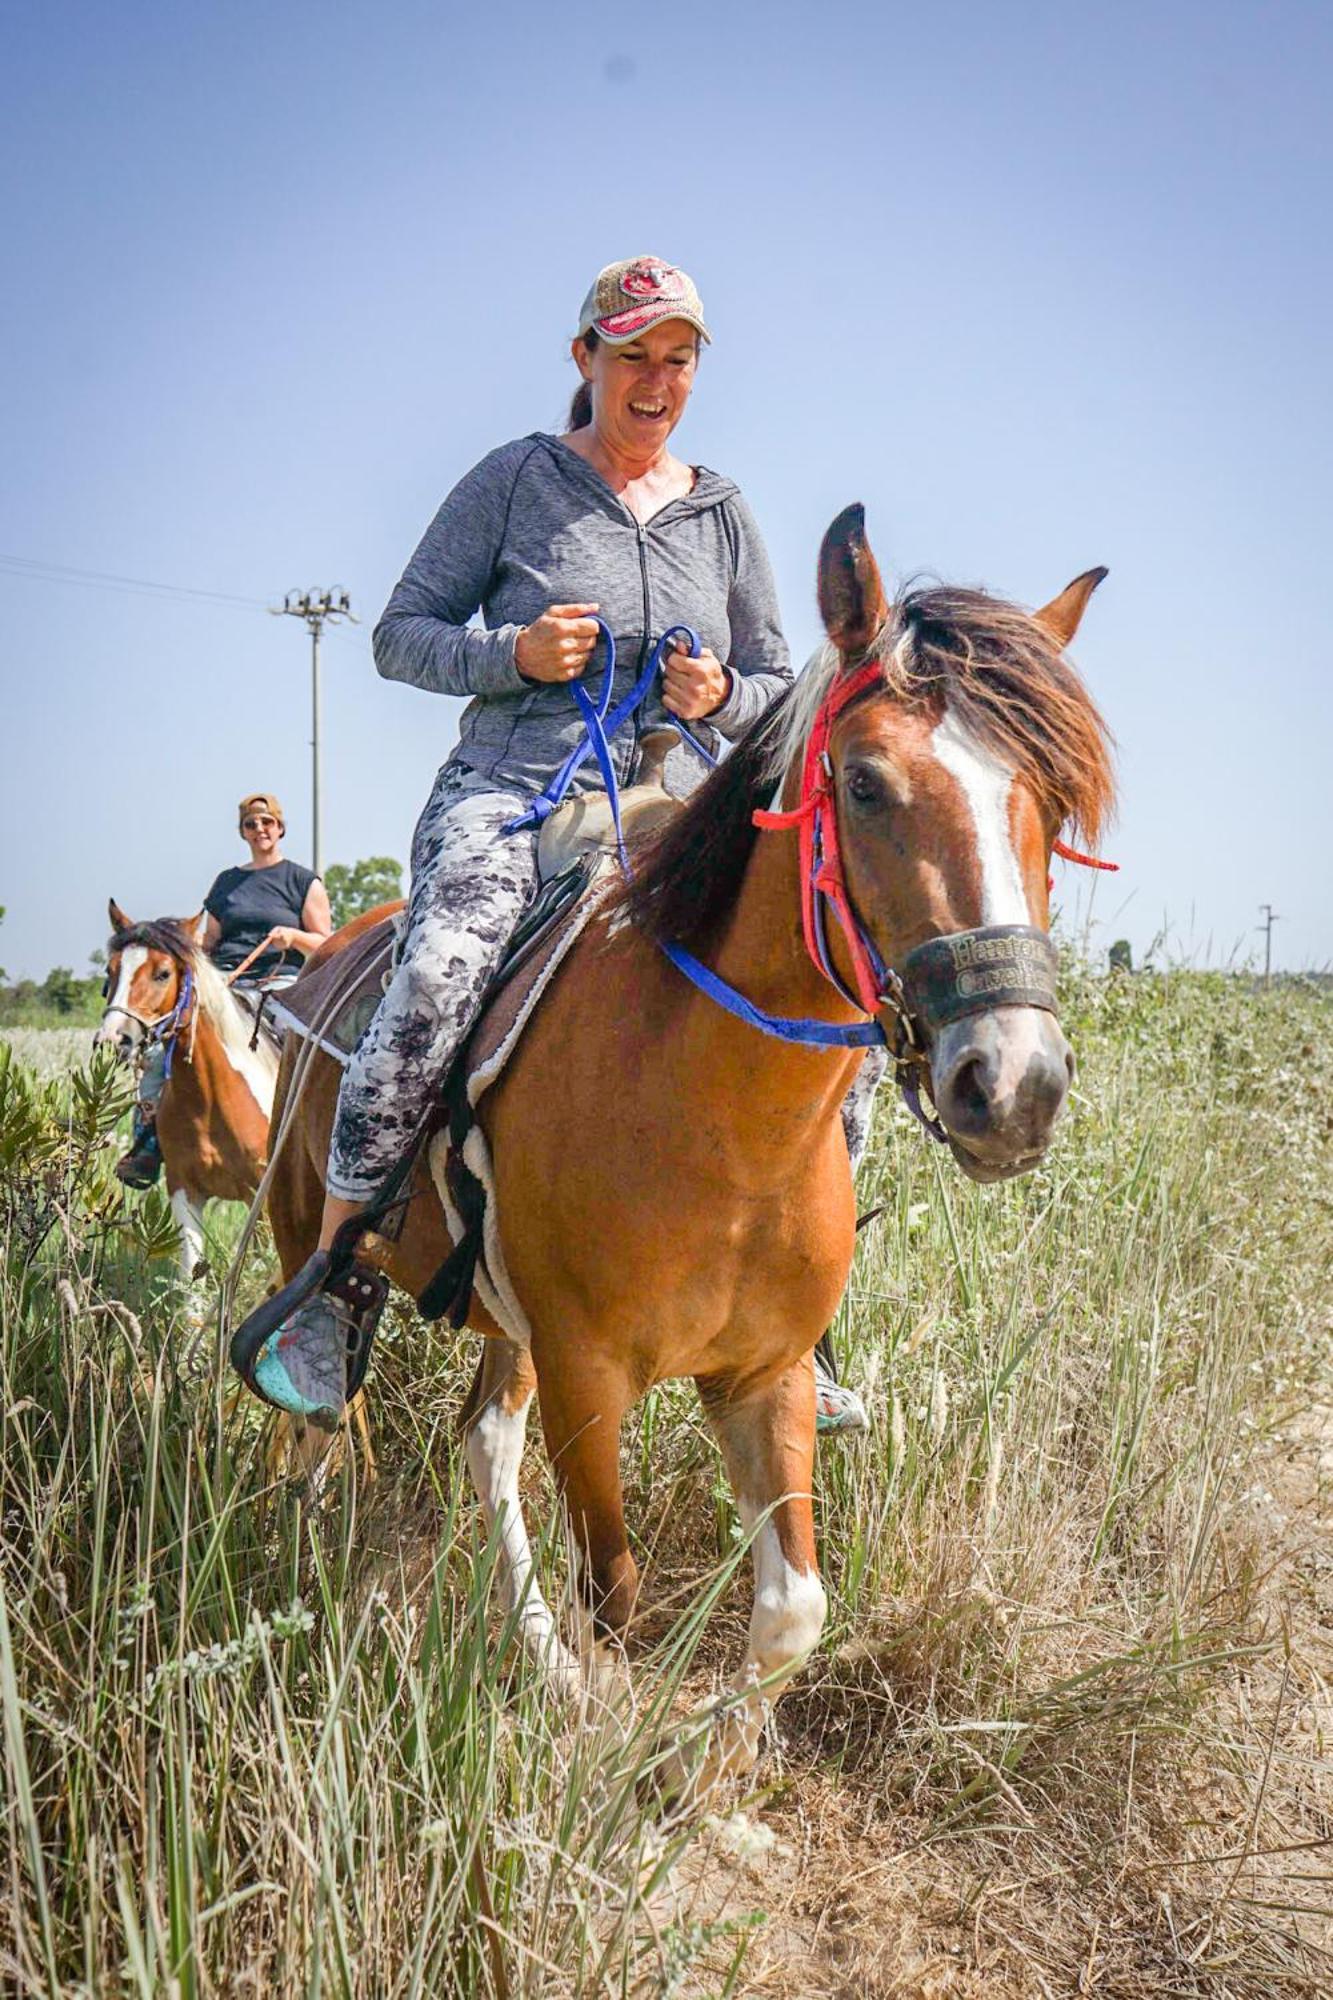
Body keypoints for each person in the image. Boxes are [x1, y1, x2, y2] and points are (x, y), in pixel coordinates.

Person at [231, 255, 878, 1434]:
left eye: (678, 359)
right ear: (584, 359)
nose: (657, 380)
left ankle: (805, 1318)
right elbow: (398, 635)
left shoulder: (722, 509)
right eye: (633, 354)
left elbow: (779, 689)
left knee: (838, 1005)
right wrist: (512, 655)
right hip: (512, 797)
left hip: (672, 815)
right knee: (434, 977)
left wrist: (719, 688)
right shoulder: (514, 479)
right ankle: (334, 1284)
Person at [115, 792, 333, 1187]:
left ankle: (311, 1140)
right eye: (251, 824)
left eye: (267, 822)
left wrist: (293, 936)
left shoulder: (302, 880)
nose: (260, 830)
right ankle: (146, 1147)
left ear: (280, 827)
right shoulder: (227, 883)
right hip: (226, 982)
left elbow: (325, 942)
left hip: (278, 980)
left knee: (297, 1049)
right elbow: (209, 940)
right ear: (243, 832)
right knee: (162, 1051)